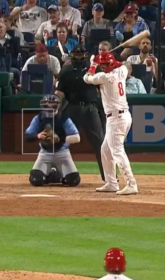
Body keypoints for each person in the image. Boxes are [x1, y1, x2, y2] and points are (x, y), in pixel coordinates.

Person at [84, 51, 138, 195]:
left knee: (117, 150)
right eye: (102, 65)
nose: (103, 67)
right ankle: (111, 183)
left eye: (105, 65)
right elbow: (122, 64)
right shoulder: (122, 70)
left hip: (117, 119)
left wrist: (93, 64)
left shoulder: (104, 77)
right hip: (122, 116)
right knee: (105, 150)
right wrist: (104, 60)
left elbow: (87, 78)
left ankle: (131, 183)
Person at [55, 45, 106, 183]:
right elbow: (59, 93)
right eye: (76, 53)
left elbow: (103, 88)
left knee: (100, 143)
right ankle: (55, 172)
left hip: (90, 108)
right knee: (59, 139)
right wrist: (55, 110)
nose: (78, 56)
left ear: (85, 55)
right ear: (72, 55)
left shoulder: (94, 68)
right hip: (72, 107)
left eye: (81, 53)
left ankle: (108, 176)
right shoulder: (66, 70)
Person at [25, 94, 81, 187]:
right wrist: (37, 136)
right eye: (47, 104)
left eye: (52, 104)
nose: (49, 107)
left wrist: (60, 139)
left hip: (62, 153)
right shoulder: (38, 119)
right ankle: (48, 174)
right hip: (45, 153)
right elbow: (27, 136)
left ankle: (58, 174)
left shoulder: (64, 118)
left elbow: (77, 138)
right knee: (36, 180)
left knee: (73, 180)